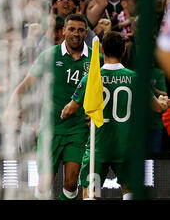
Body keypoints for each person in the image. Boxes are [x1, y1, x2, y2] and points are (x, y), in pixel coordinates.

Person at [61, 31, 169, 199]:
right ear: (124, 51)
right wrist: (164, 102)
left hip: (98, 148)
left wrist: (65, 113)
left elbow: (69, 111)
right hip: (126, 147)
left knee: (90, 194)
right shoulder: (135, 78)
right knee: (130, 192)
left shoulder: (90, 79)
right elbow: (157, 108)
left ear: (102, 51)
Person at [4, 14, 95, 200]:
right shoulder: (49, 55)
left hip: (78, 129)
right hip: (50, 128)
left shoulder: (96, 59)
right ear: (63, 32)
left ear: (86, 32)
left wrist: (96, 113)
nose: (75, 33)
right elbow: (25, 84)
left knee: (70, 183)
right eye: (71, 29)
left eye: (80, 29)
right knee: (44, 184)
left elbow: (106, 89)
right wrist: (11, 106)